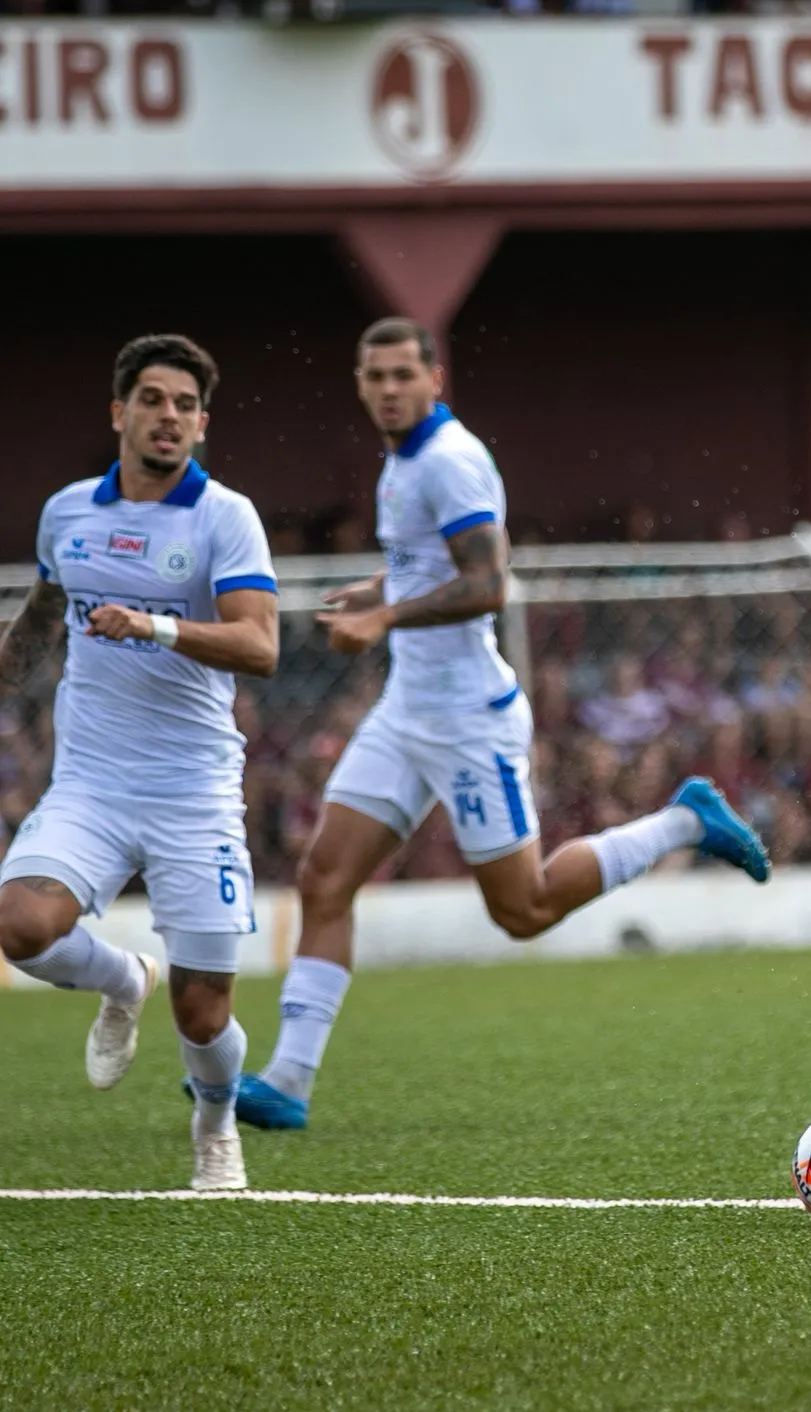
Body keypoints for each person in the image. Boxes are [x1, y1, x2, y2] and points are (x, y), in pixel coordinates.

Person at [231, 318, 769, 1131]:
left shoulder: (451, 459)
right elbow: (431, 562)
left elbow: (489, 583)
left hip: (469, 722)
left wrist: (383, 622)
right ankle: (289, 1080)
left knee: (522, 908)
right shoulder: (404, 461)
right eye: (372, 376)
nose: (386, 389)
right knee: (324, 879)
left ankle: (684, 820)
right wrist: (379, 592)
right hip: (407, 712)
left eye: (401, 376)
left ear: (434, 378)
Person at [0, 334, 279, 1191]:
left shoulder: (223, 516)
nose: (169, 417)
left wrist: (155, 624)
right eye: (153, 400)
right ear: (119, 412)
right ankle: (124, 978)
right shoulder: (68, 513)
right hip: (91, 783)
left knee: (204, 1014)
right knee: (20, 926)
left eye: (186, 405)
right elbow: (47, 613)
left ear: (202, 425)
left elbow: (260, 646)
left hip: (193, 792)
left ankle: (214, 1124)